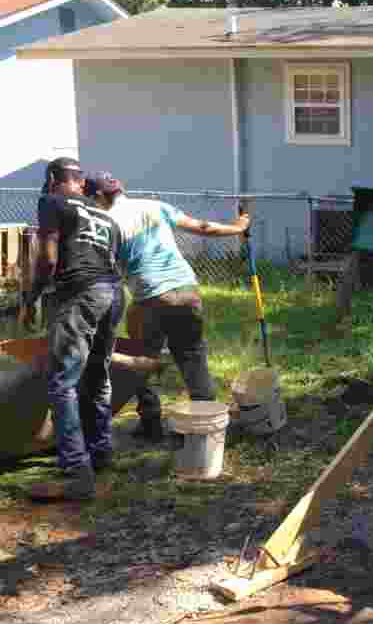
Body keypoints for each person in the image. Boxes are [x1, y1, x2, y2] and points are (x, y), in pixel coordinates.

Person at [88, 173, 250, 442]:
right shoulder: (155, 206)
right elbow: (203, 228)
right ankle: (207, 428)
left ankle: (151, 422)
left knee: (141, 360)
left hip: (150, 298)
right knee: (193, 357)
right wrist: (238, 228)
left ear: (97, 197)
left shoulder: (106, 223)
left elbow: (103, 266)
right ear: (121, 189)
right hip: (187, 291)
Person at [22, 158, 123, 501]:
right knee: (98, 375)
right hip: (113, 294)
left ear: (53, 179)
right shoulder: (106, 215)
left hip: (81, 293)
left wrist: (31, 296)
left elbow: (48, 259)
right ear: (81, 182)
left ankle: (76, 471)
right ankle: (101, 452)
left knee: (62, 381)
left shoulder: (52, 202)